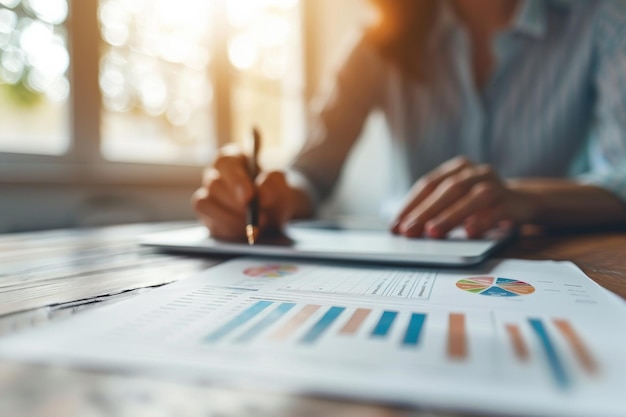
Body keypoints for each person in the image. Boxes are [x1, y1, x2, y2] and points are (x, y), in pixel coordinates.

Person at [192, 0, 626, 241]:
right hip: (407, 255)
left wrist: (524, 198)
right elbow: (312, 170)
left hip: (544, 257)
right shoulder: (377, 40)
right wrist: (272, 196)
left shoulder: (601, 20)